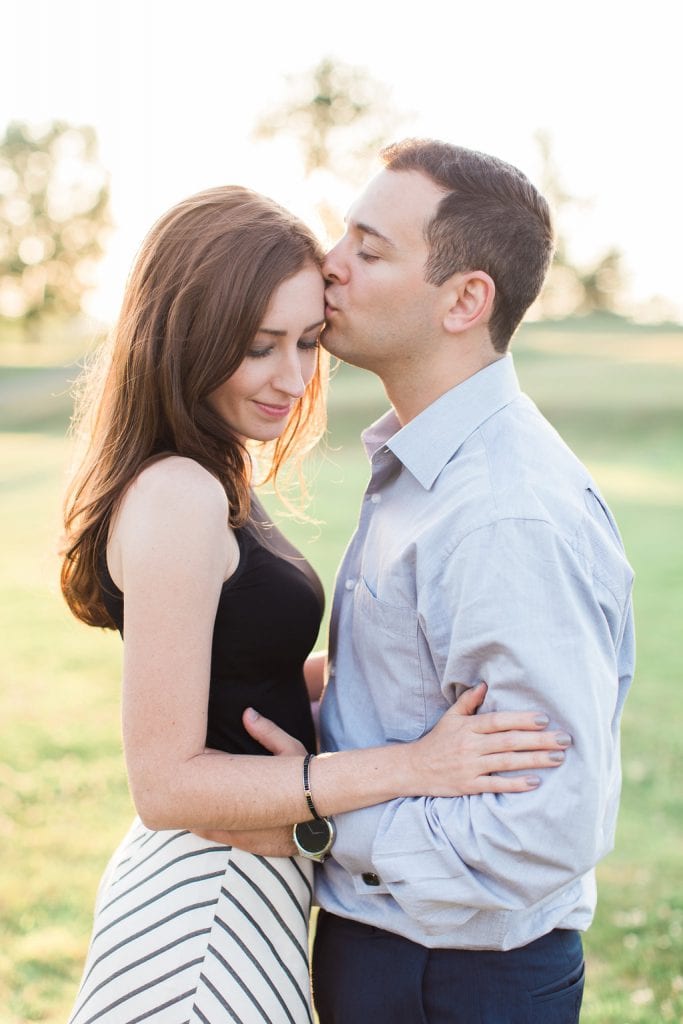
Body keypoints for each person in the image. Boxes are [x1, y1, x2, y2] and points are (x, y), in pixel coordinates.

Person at [60, 184, 570, 1024]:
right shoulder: (178, 491)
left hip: (253, 885)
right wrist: (411, 766)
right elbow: (164, 783)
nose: (292, 379)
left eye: (307, 343)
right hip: (206, 903)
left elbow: (230, 668)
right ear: (187, 333)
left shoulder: (210, 471)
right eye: (260, 347)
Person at [242, 140, 635, 1023]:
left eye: (369, 250)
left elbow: (541, 828)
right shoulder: (425, 465)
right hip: (397, 953)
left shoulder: (503, 514)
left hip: (449, 980)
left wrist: (318, 816)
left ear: (464, 299)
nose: (327, 265)